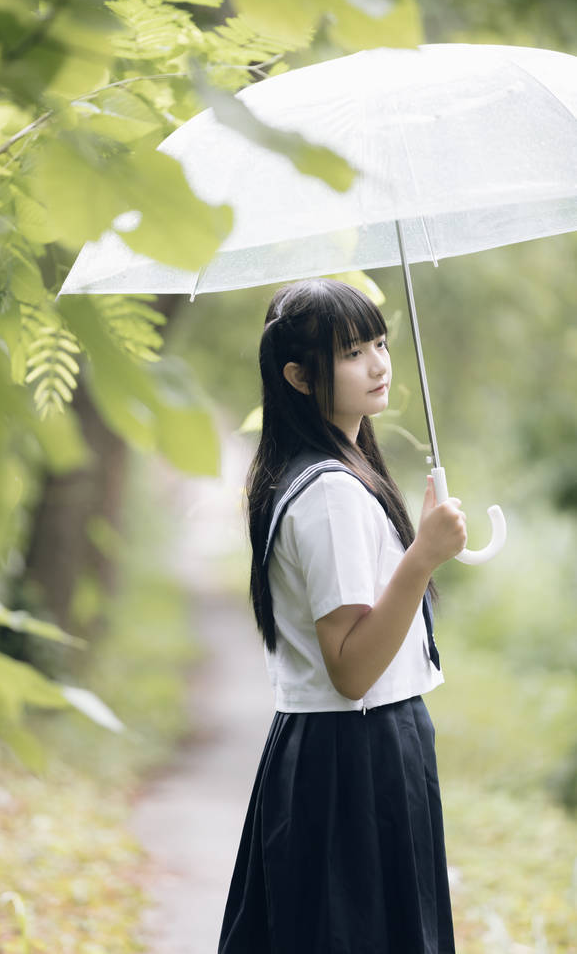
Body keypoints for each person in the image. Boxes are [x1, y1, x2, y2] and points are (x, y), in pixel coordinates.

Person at [218, 278, 466, 954]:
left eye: (379, 343)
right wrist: (421, 558)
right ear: (299, 375)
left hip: (348, 746)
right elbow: (351, 667)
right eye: (354, 351)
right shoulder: (330, 493)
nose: (379, 363)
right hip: (354, 753)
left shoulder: (325, 472)